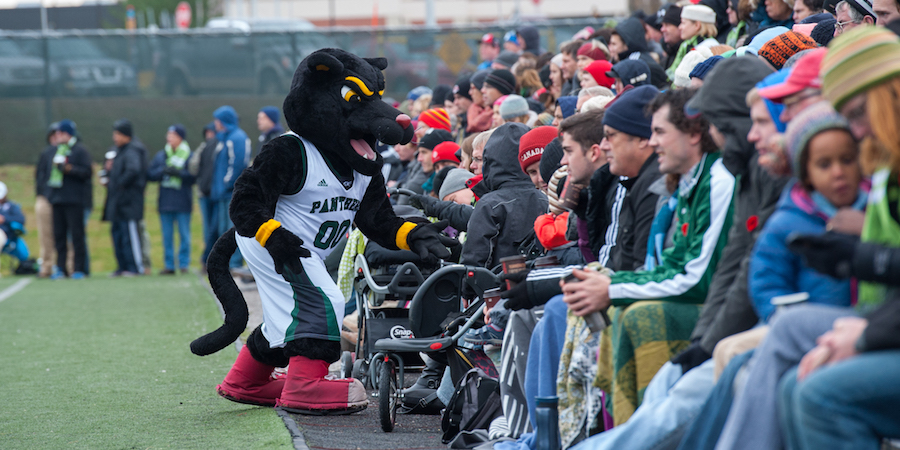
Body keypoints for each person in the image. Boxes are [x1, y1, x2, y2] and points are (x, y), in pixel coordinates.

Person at [461, 122, 548, 269]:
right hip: (539, 283)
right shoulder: (546, 198)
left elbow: (474, 262)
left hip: (498, 287)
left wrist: (467, 291)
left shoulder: (490, 204)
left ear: (491, 160)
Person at [147, 124, 194, 275]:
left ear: (180, 138)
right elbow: (150, 174)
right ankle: (169, 265)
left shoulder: (189, 156)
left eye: (172, 135)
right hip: (165, 202)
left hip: (183, 202)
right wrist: (162, 171)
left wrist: (179, 173)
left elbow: (193, 177)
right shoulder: (161, 156)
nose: (169, 138)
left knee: (184, 235)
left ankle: (184, 264)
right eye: (168, 135)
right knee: (167, 237)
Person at [47, 119, 91, 280]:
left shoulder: (80, 150)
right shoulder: (56, 150)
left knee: (77, 235)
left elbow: (86, 173)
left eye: (60, 133)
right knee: (59, 236)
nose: (57, 136)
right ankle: (60, 268)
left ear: (68, 134)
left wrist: (68, 169)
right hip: (58, 199)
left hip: (74, 200)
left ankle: (79, 269)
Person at [104, 119, 147, 277]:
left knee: (130, 236)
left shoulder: (133, 150)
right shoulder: (117, 151)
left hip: (129, 203)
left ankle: (134, 267)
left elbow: (133, 170)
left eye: (118, 134)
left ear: (126, 135)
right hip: (117, 202)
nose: (115, 137)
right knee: (117, 235)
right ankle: (122, 266)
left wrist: (119, 184)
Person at [211, 105, 250, 270]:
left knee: (231, 229)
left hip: (231, 192)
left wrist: (228, 182)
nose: (215, 123)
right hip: (222, 193)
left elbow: (238, 163)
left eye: (217, 120)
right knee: (222, 229)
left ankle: (234, 264)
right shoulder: (225, 138)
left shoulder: (237, 138)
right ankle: (226, 264)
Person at [188, 122, 218, 271]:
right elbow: (193, 166)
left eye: (211, 132)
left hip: (217, 193)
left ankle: (210, 258)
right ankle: (207, 259)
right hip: (204, 193)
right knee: (208, 228)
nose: (208, 135)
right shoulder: (202, 148)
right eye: (207, 132)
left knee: (216, 227)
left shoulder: (220, 146)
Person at [35, 122, 61, 278]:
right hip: (46, 199)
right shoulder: (46, 153)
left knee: (64, 235)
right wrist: (47, 195)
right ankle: (46, 266)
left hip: (63, 199)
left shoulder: (70, 153)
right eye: (54, 135)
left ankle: (66, 266)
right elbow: (40, 178)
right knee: (46, 235)